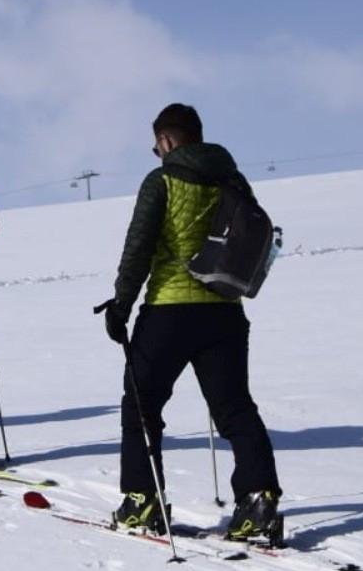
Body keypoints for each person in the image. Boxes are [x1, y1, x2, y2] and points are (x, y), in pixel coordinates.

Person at [100, 103, 283, 542]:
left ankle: (142, 500)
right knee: (235, 407)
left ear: (166, 141)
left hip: (168, 311)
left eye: (156, 144)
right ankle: (259, 501)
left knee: (141, 406)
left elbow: (139, 246)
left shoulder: (161, 180)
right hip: (225, 312)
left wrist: (121, 305)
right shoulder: (232, 179)